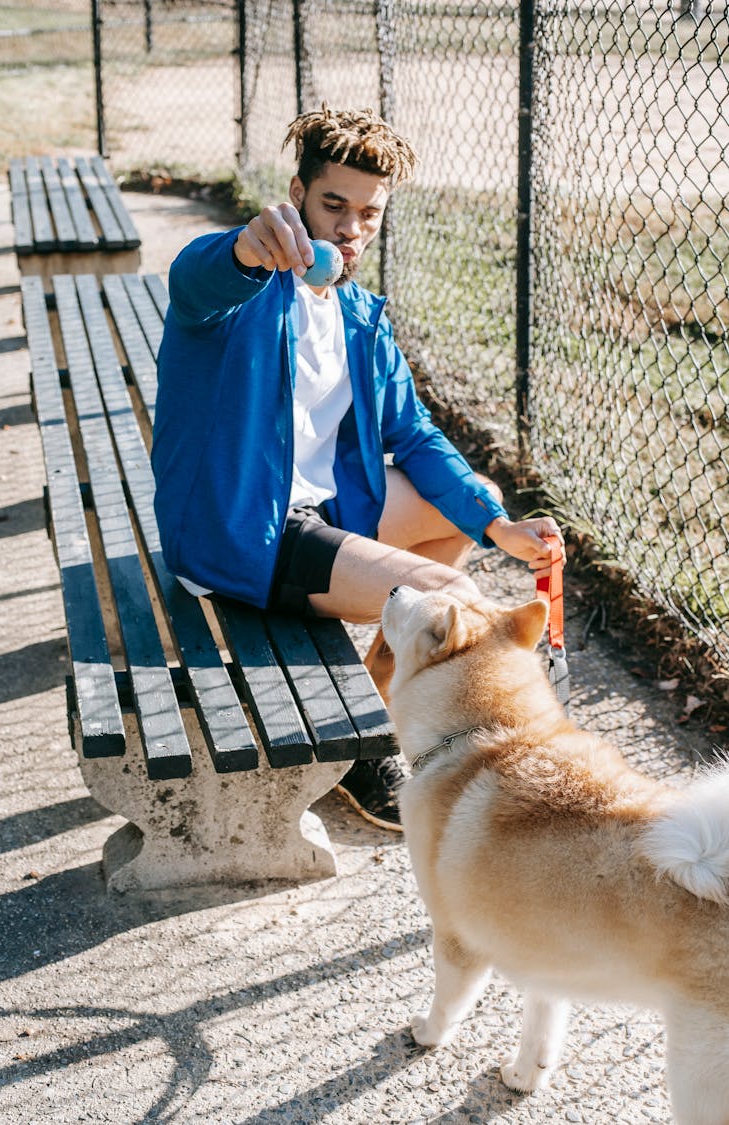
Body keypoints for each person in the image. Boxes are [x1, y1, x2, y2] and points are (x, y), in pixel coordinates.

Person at [152, 104, 565, 832]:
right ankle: (503, 766)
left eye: (369, 213)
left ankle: (366, 717)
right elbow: (196, 282)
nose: (349, 228)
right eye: (333, 205)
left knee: (469, 505)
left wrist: (497, 524)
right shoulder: (238, 294)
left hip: (318, 515)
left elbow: (413, 434)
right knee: (449, 593)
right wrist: (246, 251)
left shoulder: (360, 316)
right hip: (243, 531)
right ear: (298, 193)